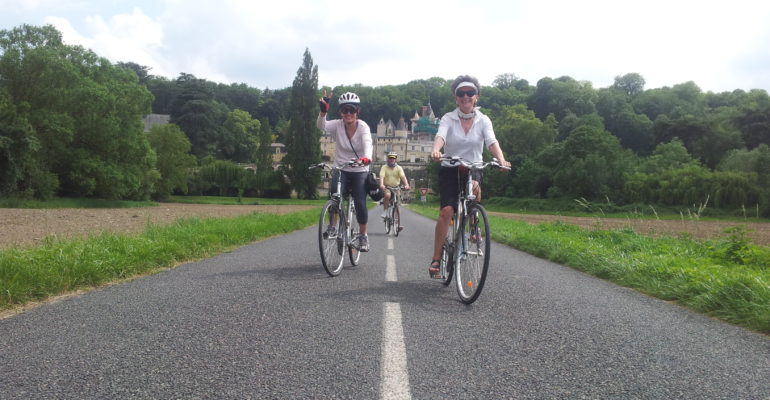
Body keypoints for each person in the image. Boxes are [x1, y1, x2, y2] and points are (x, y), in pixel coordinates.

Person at [428, 75, 511, 277]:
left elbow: (491, 141)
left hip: (473, 166)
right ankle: (436, 259)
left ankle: (473, 222)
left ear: (476, 97)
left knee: (474, 188)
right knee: (446, 211)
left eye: (470, 93)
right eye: (461, 93)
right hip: (450, 167)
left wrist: (501, 159)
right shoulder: (448, 118)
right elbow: (441, 135)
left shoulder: (484, 120)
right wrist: (436, 150)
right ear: (456, 98)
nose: (465, 96)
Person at [317, 90, 373, 251]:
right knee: (335, 193)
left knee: (361, 201)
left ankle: (363, 236)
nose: (348, 113)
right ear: (341, 112)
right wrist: (323, 112)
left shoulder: (363, 127)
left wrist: (366, 158)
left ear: (357, 111)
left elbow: (368, 144)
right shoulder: (337, 125)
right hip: (341, 167)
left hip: (359, 169)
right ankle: (333, 225)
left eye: (352, 110)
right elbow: (322, 126)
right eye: (344, 110)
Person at [379, 151, 411, 220]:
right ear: (388, 159)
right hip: (387, 187)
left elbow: (403, 177)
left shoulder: (399, 168)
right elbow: (382, 176)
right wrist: (381, 184)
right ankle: (385, 212)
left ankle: (397, 223)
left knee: (398, 205)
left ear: (395, 159)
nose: (391, 159)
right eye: (390, 158)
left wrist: (407, 184)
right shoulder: (384, 167)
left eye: (393, 158)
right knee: (387, 195)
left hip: (396, 188)